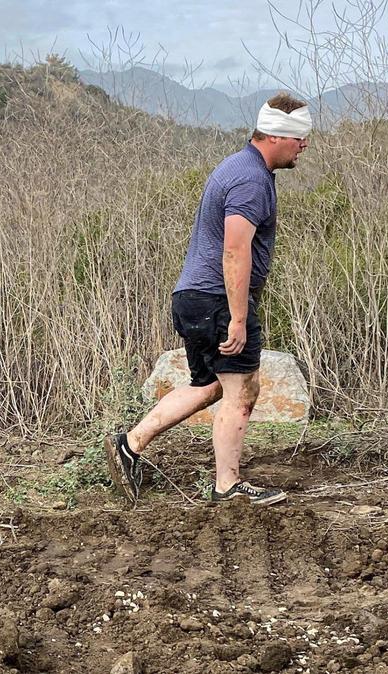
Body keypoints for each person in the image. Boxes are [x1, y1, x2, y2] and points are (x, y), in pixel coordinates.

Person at [106, 93, 312, 507]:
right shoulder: (251, 180)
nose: (304, 146)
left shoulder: (242, 167)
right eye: (299, 139)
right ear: (275, 136)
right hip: (217, 300)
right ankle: (228, 485)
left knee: (210, 385)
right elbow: (235, 251)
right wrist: (238, 318)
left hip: (194, 297)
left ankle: (129, 444)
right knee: (243, 391)